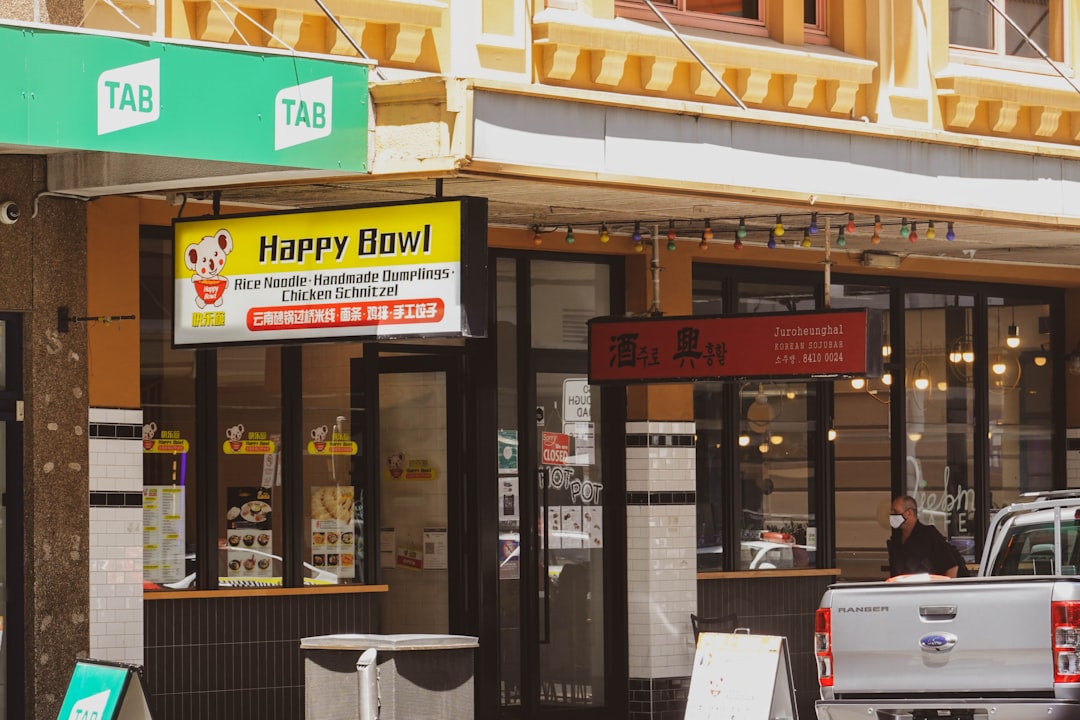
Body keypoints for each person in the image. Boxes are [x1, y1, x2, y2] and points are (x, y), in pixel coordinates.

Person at [887, 495, 960, 578]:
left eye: (895, 511)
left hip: (929, 585)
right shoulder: (896, 539)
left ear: (909, 513)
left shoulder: (929, 534)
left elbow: (951, 567)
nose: (892, 515)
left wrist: (945, 586)